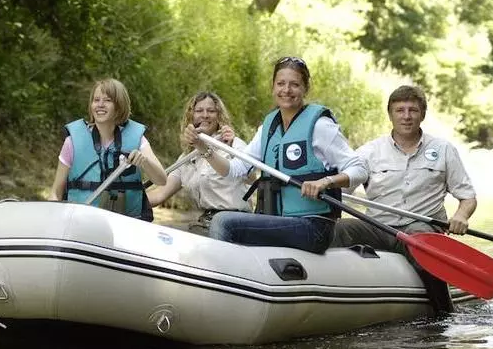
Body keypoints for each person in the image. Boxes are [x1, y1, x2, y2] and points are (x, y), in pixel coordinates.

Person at [182, 56, 367, 254]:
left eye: (294, 84)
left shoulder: (320, 126)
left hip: (313, 226)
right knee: (225, 223)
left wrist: (326, 182)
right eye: (281, 84)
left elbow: (360, 170)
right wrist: (202, 147)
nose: (286, 90)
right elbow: (235, 170)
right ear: (273, 87)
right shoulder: (268, 128)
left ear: (305, 88)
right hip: (278, 219)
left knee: (223, 222)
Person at [331, 84, 477, 315]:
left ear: (422, 114)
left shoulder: (443, 149)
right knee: (337, 229)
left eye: (413, 110)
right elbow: (342, 192)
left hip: (422, 229)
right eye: (400, 110)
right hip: (378, 226)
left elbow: (467, 197)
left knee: (420, 242)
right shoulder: (368, 152)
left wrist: (461, 216)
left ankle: (443, 315)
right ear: (390, 115)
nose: (406, 116)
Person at [47, 78, 167, 221]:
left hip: (127, 223)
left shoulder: (138, 139)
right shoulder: (72, 142)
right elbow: (55, 193)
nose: (100, 105)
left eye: (107, 100)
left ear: (119, 106)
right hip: (81, 222)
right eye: (96, 100)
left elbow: (161, 180)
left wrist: (145, 162)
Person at [147, 92, 253, 235]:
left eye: (211, 111)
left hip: (234, 223)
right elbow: (160, 195)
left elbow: (251, 178)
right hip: (206, 223)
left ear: (219, 116)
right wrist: (128, 199)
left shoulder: (234, 144)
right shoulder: (186, 158)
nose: (205, 115)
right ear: (191, 116)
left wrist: (230, 148)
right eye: (199, 111)